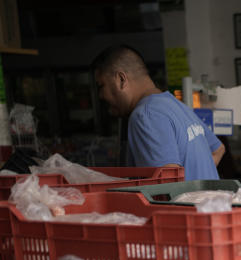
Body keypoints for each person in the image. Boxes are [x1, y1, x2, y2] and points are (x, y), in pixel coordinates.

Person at [91, 45, 224, 181]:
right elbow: (217, 150)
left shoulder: (145, 116)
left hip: (189, 202)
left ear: (121, 79)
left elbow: (167, 185)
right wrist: (198, 185)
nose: (101, 95)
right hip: (211, 202)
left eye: (101, 86)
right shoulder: (176, 105)